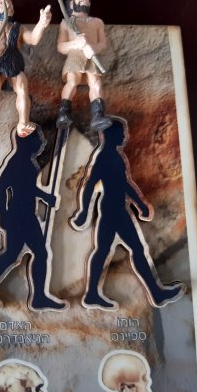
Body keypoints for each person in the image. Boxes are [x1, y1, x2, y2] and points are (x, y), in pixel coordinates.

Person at [71, 118, 185, 309]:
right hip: (110, 211)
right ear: (110, 136)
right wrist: (83, 211)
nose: (125, 136)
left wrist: (140, 204)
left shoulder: (116, 157)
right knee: (109, 251)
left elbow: (125, 184)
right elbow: (89, 185)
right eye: (121, 133)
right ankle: (92, 294)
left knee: (128, 250)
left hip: (118, 210)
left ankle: (153, 293)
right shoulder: (104, 157)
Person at [0, 128, 67, 310]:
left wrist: (45, 197)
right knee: (19, 255)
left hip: (27, 215)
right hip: (18, 216)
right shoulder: (15, 162)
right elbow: (0, 189)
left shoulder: (29, 163)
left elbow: (28, 188)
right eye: (37, 139)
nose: (42, 143)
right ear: (25, 143)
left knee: (26, 254)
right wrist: (3, 215)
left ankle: (37, 296)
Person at [0, 0, 51, 138]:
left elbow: (33, 39)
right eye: (1, 3)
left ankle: (23, 122)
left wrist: (42, 24)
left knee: (22, 88)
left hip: (14, 63)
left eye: (10, 3)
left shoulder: (18, 28)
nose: (7, 5)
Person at [56, 0, 111, 131]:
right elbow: (61, 47)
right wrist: (75, 44)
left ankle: (98, 115)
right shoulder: (66, 23)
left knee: (96, 83)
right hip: (75, 56)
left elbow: (102, 44)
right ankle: (63, 113)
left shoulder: (97, 22)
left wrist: (93, 48)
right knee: (72, 81)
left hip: (91, 56)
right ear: (72, 3)